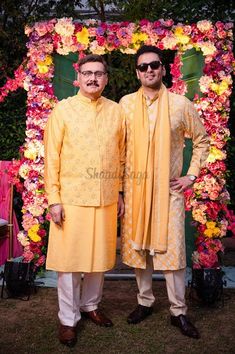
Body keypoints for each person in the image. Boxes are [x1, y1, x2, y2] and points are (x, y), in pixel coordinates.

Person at [120, 45, 209, 339]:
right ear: (137, 72)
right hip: (135, 190)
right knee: (139, 249)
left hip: (168, 191)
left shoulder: (181, 105)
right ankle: (144, 302)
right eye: (143, 67)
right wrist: (120, 189)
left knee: (172, 253)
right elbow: (119, 149)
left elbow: (201, 140)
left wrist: (191, 175)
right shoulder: (125, 105)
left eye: (154, 65)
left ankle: (178, 311)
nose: (149, 70)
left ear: (163, 68)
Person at [44, 54, 125, 347]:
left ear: (106, 78)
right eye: (88, 73)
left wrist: (119, 193)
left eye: (99, 74)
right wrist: (54, 199)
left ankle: (90, 305)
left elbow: (122, 155)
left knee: (98, 259)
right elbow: (51, 158)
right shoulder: (63, 111)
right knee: (69, 264)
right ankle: (68, 319)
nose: (93, 78)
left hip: (104, 199)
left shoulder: (116, 112)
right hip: (71, 198)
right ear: (78, 77)